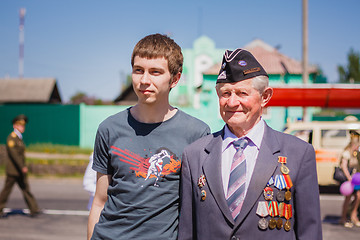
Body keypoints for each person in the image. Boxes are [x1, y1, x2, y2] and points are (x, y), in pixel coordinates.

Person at [178, 49, 322, 240]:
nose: (231, 102)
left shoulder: (299, 153)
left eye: (242, 93)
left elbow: (309, 232)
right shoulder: (195, 155)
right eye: (225, 93)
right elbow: (187, 231)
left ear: (265, 97)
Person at [87, 34, 210, 240]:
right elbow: (99, 201)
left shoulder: (196, 133)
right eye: (138, 70)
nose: (144, 80)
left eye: (155, 72)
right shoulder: (109, 128)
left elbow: (200, 207)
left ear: (175, 78)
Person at [0, 114, 40, 218]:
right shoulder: (11, 138)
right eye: (20, 125)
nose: (22, 127)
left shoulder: (18, 138)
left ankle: (34, 209)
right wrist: (22, 166)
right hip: (13, 170)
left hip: (19, 170)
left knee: (26, 189)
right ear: (15, 126)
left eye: (23, 126)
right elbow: (14, 155)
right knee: (6, 191)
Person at [339, 130, 360, 228]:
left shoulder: (357, 154)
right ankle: (343, 218)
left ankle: (353, 216)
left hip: (356, 179)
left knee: (358, 197)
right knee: (348, 198)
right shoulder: (347, 152)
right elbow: (344, 166)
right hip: (348, 179)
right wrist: (349, 178)